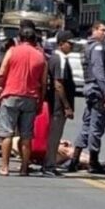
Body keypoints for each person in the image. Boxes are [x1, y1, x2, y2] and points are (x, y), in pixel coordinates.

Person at [0, 27, 47, 176]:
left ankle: (4, 167)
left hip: (11, 95)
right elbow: (43, 83)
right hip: (30, 97)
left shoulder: (12, 51)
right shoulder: (40, 56)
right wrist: (40, 101)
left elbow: (1, 73)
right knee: (26, 135)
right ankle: (24, 168)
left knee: (7, 133)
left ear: (19, 38)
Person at [69, 21, 105, 174]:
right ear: (94, 30)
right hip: (97, 91)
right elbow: (99, 71)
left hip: (91, 90)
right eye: (103, 30)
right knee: (96, 127)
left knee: (87, 125)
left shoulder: (88, 46)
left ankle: (75, 160)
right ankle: (93, 162)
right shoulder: (97, 47)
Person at [43, 30, 76, 177]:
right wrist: (67, 106)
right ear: (61, 44)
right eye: (70, 43)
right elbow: (58, 84)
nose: (72, 46)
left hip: (55, 104)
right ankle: (49, 165)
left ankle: (50, 163)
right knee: (54, 135)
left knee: (55, 135)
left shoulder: (58, 59)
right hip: (57, 105)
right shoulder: (59, 60)